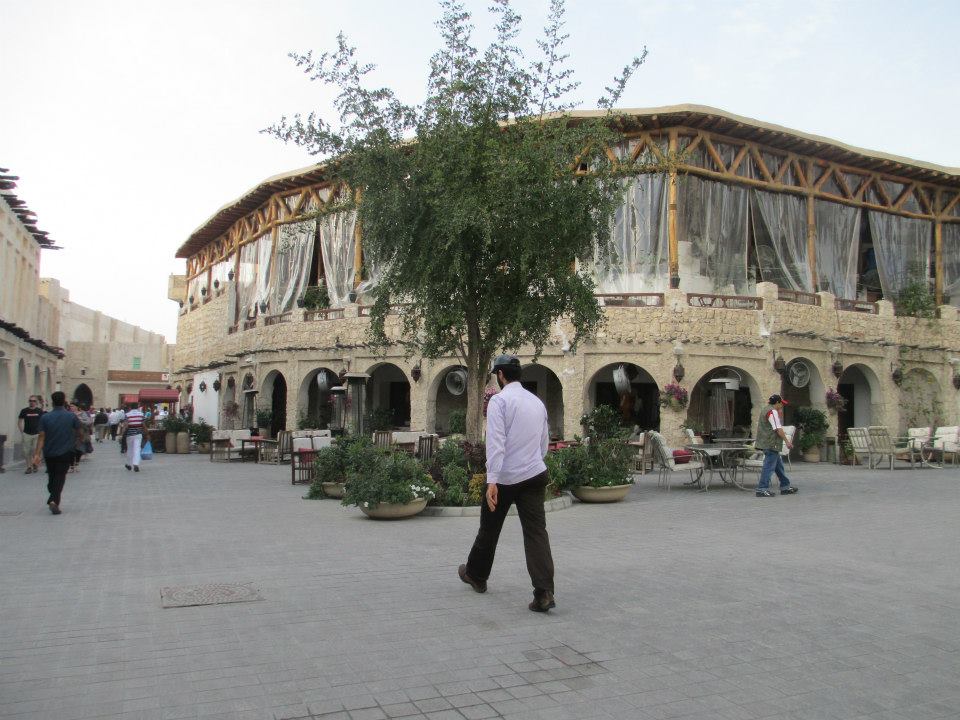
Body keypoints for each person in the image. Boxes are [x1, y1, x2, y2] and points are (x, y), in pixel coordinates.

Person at [459, 354, 556, 612]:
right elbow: (543, 444)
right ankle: (544, 592)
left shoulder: (499, 401)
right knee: (536, 533)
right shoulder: (537, 402)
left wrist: (492, 481)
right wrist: (532, 462)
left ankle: (477, 576)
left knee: (489, 528)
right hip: (535, 474)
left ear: (500, 375)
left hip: (505, 478)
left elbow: (496, 444)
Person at [32, 391, 81, 515]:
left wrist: (37, 454)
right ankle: (53, 500)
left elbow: (41, 436)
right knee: (60, 476)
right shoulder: (71, 416)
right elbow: (79, 432)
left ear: (52, 402)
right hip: (65, 452)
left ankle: (53, 497)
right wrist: (75, 442)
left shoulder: (45, 417)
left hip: (49, 452)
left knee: (52, 476)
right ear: (64, 401)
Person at [754, 394, 799, 498]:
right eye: (781, 403)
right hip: (771, 443)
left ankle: (785, 486)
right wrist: (787, 441)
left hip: (767, 443)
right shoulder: (772, 412)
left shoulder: (765, 409)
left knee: (778, 466)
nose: (782, 405)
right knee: (768, 467)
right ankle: (762, 489)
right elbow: (778, 429)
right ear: (777, 403)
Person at [18, 395, 45, 473]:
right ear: (28, 401)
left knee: (35, 450)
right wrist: (22, 431)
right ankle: (28, 467)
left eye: (33, 401)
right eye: (30, 401)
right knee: (26, 451)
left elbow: (43, 422)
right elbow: (20, 421)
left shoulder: (39, 411)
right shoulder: (24, 411)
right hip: (27, 433)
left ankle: (35, 464)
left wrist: (42, 432)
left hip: (37, 434)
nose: (32, 402)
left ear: (36, 402)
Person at [121, 403, 145, 472]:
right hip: (138, 434)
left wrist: (122, 434)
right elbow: (143, 424)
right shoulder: (141, 414)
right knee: (137, 449)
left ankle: (128, 464)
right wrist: (146, 433)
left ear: (130, 407)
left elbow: (125, 425)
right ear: (137, 407)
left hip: (130, 434)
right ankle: (136, 464)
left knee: (130, 449)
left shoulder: (127, 415)